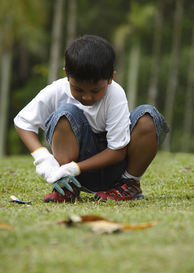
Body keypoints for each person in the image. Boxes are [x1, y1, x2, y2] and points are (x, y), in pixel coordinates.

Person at [14, 35, 169, 203]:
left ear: (111, 78)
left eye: (95, 91)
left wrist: (76, 168)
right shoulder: (56, 91)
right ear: (67, 74)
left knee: (148, 115)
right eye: (78, 89)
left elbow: (117, 151)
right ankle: (67, 187)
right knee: (65, 114)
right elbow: (23, 122)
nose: (87, 97)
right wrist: (42, 156)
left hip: (114, 171)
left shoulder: (115, 94)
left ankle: (128, 185)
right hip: (74, 176)